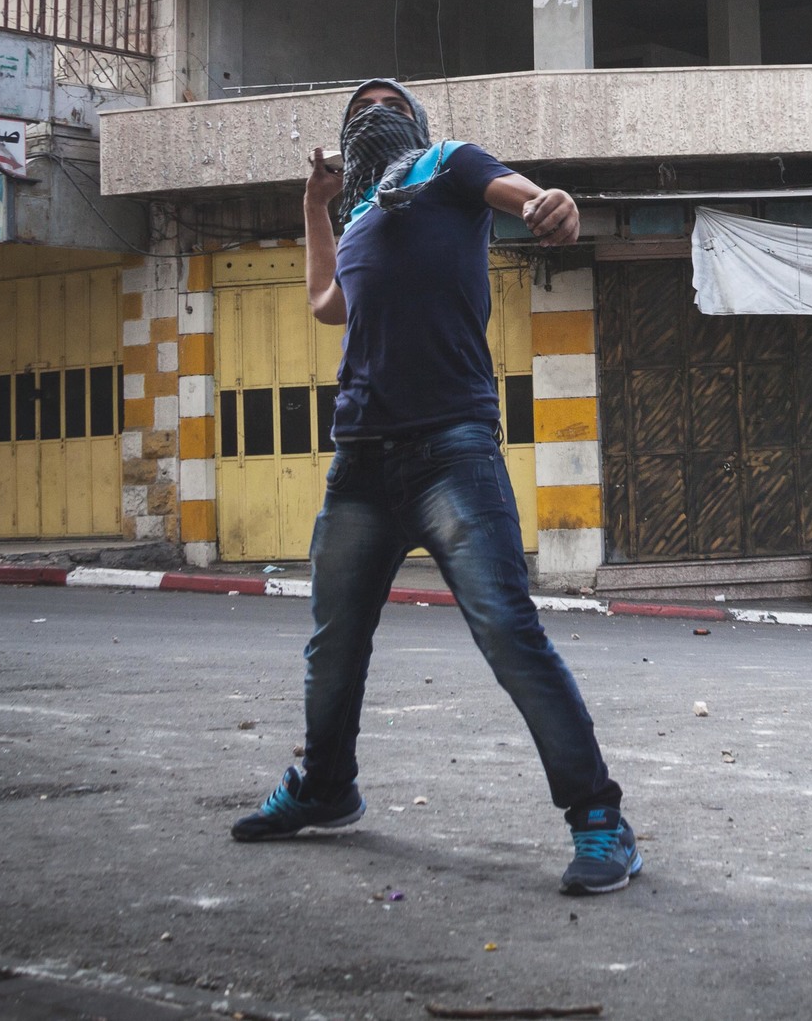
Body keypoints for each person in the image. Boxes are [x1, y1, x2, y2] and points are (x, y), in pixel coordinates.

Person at [229, 79, 642, 897]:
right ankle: (326, 787)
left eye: (388, 102)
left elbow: (524, 195)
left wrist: (548, 203)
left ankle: (601, 820)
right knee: (332, 642)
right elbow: (324, 303)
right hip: (361, 459)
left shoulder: (450, 165)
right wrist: (315, 204)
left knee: (507, 630)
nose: (372, 110)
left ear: (416, 125)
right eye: (359, 108)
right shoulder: (355, 218)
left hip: (453, 447)